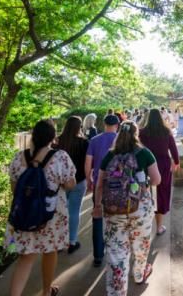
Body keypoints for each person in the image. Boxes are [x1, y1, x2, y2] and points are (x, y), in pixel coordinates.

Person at [6, 120, 76, 296]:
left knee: (26, 258)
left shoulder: (18, 157)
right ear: (53, 137)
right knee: (49, 251)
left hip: (25, 214)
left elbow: (14, 189)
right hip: (50, 215)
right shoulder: (60, 157)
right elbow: (70, 184)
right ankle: (46, 291)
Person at [94, 121, 161, 296]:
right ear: (136, 134)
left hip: (114, 209)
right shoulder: (145, 153)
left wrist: (96, 206)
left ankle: (117, 291)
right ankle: (139, 274)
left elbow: (100, 184)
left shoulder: (110, 155)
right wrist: (142, 184)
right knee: (141, 245)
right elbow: (156, 180)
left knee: (116, 252)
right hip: (140, 209)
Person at [84, 114, 120, 267]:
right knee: (116, 218)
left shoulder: (94, 140)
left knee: (97, 216)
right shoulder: (121, 140)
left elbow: (88, 163)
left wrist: (88, 179)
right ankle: (116, 252)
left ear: (104, 124)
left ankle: (98, 255)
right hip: (117, 185)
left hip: (99, 183)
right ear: (117, 125)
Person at [139, 109, 180, 236]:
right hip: (163, 166)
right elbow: (174, 150)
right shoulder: (166, 131)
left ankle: (145, 227)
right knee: (161, 194)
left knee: (146, 194)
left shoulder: (142, 132)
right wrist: (176, 162)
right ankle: (159, 227)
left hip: (146, 166)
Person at [57, 116, 89, 254]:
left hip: (60, 183)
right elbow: (87, 163)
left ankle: (58, 242)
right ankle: (72, 242)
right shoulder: (84, 143)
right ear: (79, 127)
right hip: (79, 181)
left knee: (59, 212)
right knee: (74, 212)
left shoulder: (58, 141)